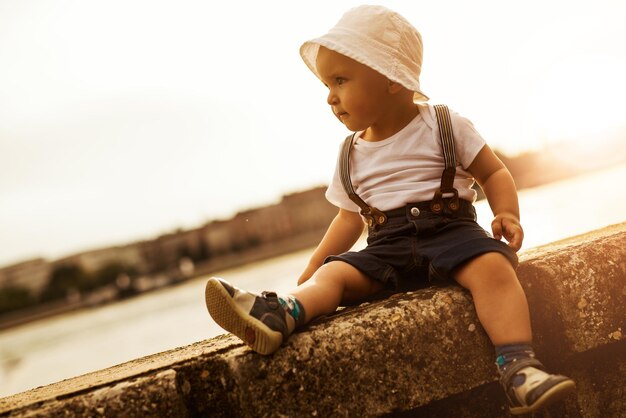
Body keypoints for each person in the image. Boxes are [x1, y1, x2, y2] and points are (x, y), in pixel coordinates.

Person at [204, 5, 575, 415]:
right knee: (335, 274)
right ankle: (285, 312)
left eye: (341, 80)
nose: (330, 97)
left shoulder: (444, 125)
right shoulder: (350, 154)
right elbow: (349, 218)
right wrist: (314, 266)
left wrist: (507, 213)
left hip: (453, 236)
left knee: (493, 268)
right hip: (387, 249)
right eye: (327, 84)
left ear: (392, 78)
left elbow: (494, 172)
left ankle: (519, 368)